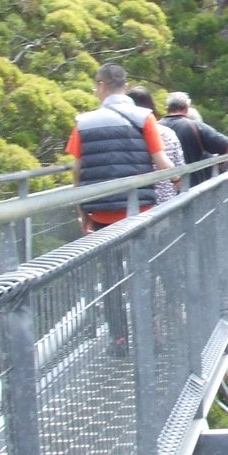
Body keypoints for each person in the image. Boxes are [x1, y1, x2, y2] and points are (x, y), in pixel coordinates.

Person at [66, 63, 173, 354]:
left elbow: (77, 170)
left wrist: (81, 209)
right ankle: (151, 333)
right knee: (145, 272)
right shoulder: (144, 117)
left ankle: (119, 339)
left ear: (100, 85)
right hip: (141, 211)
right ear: (125, 86)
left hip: (102, 214)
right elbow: (161, 161)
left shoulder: (84, 122)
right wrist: (180, 178)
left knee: (111, 277)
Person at [158, 91, 228, 188]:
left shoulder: (156, 127)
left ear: (167, 109)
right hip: (191, 189)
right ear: (187, 108)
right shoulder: (194, 126)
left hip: (164, 194)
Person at [127, 85, 184, 204]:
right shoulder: (168, 133)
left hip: (137, 203)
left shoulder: (127, 135)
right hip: (167, 202)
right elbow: (179, 166)